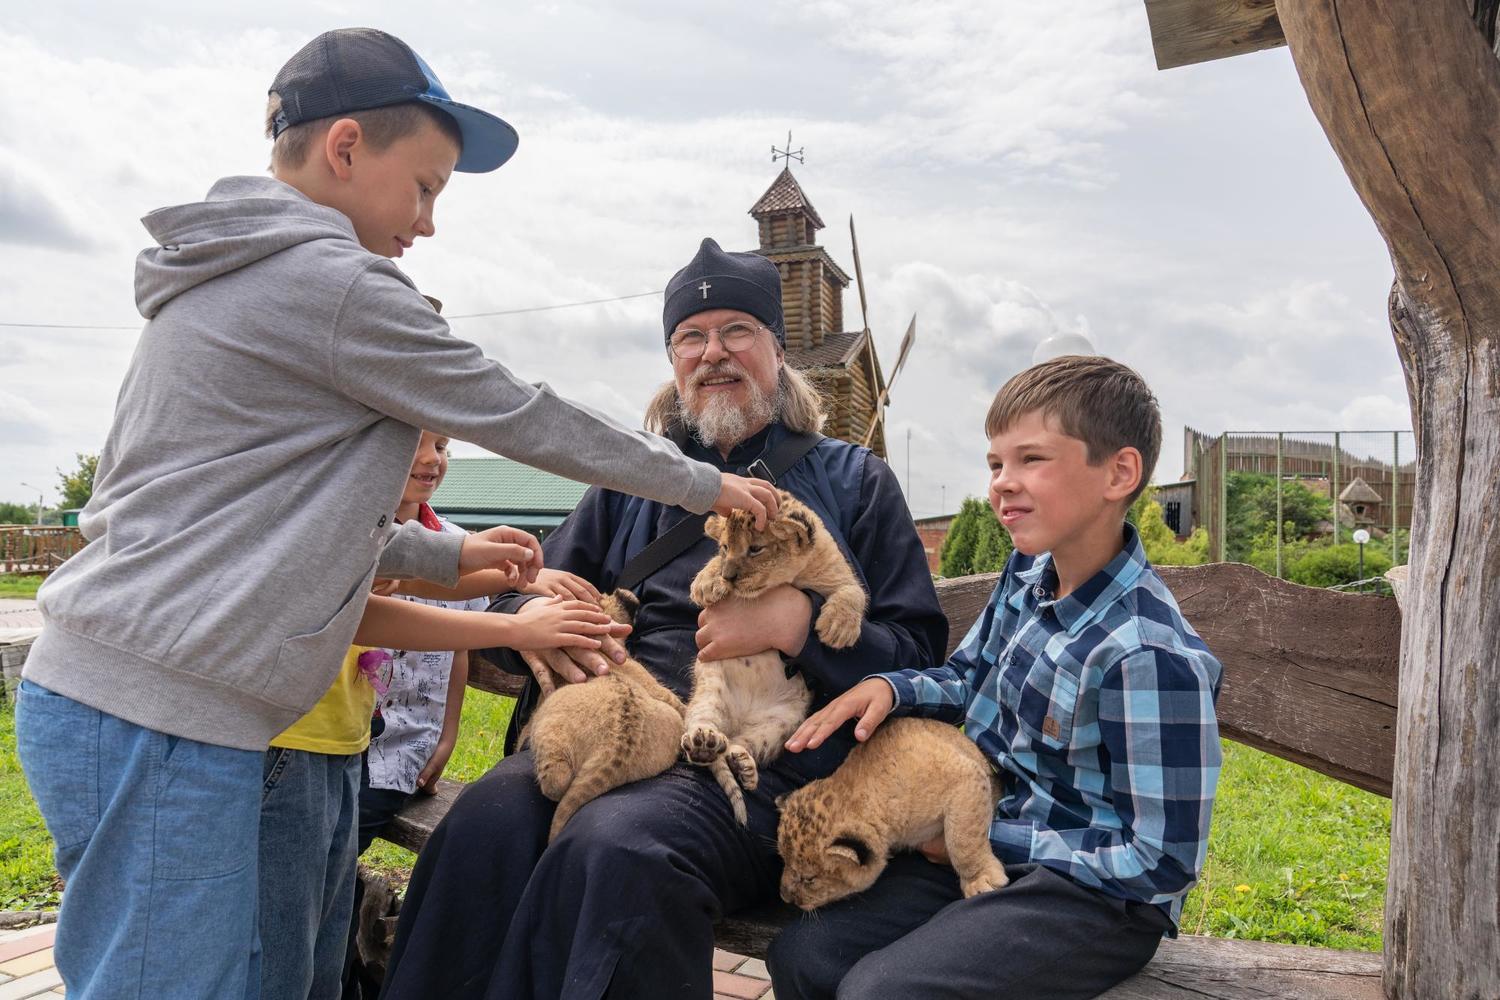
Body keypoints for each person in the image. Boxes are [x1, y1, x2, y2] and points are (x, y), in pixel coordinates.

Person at [14, 29, 777, 999]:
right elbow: (520, 409)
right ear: (343, 149)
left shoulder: (228, 276)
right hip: (167, 713)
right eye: (424, 187)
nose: (426, 224)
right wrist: (707, 484)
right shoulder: (331, 283)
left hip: (115, 688)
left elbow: (276, 523)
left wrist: (454, 558)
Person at [380, 237, 949, 999]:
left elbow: (915, 655)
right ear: (674, 360)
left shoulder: (857, 481)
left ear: (778, 351)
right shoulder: (633, 482)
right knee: (484, 824)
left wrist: (795, 622)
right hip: (617, 726)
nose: (713, 353)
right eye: (691, 337)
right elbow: (523, 592)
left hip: (767, 770)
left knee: (620, 847)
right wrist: (547, 625)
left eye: (737, 331)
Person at [769, 355, 1224, 1000]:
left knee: (883, 992)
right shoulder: (1028, 577)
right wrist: (893, 688)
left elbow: (1161, 862)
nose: (1002, 484)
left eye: (1031, 459)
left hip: (1095, 893)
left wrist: (974, 835)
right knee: (803, 955)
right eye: (995, 464)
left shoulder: (1145, 654)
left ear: (1119, 473)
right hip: (983, 832)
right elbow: (967, 676)